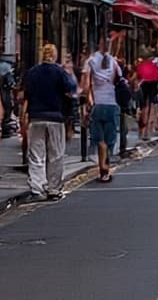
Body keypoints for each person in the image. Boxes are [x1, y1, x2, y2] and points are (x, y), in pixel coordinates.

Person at [22, 43, 76, 200]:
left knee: (36, 155)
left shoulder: (32, 72)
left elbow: (27, 95)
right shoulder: (60, 72)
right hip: (55, 118)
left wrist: (23, 115)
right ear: (55, 55)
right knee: (55, 154)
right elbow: (70, 89)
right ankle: (53, 189)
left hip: (36, 117)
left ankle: (37, 188)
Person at [81, 42, 121, 182]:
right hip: (112, 104)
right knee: (109, 139)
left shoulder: (90, 62)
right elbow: (119, 81)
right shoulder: (114, 62)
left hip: (97, 104)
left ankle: (102, 167)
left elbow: (86, 87)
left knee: (99, 139)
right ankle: (106, 168)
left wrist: (88, 103)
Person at [134, 50, 158, 140]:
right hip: (152, 88)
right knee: (150, 108)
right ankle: (147, 131)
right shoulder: (155, 67)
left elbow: (136, 78)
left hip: (143, 88)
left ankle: (141, 132)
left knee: (142, 108)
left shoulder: (140, 66)